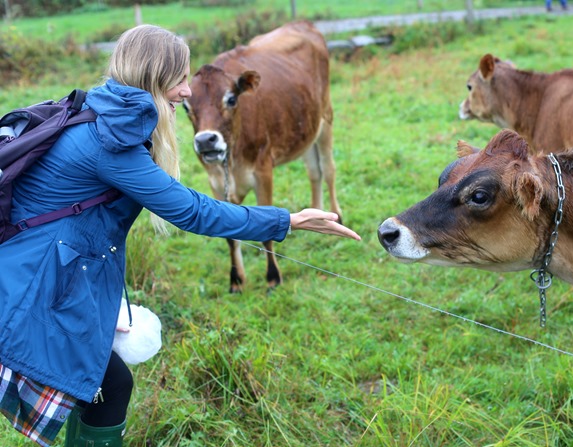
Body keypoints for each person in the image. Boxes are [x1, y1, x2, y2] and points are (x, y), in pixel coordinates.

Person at [0, 24, 360, 447]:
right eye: (180, 78)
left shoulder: (103, 114)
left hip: (44, 278)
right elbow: (192, 211)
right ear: (153, 76)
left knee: (102, 387)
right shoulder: (108, 142)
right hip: (30, 290)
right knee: (108, 388)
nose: (188, 91)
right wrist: (287, 221)